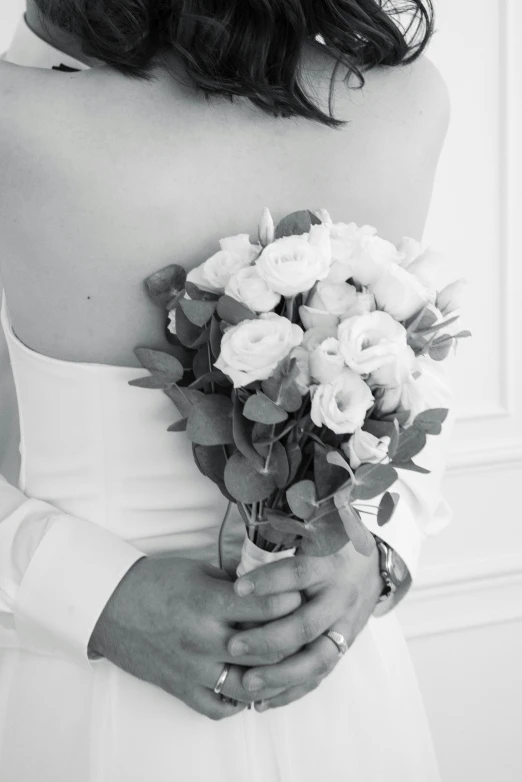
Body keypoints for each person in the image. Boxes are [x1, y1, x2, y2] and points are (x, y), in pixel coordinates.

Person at [0, 2, 453, 780]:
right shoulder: (405, 101)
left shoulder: (19, 121)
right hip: (340, 701)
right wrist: (374, 554)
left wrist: (89, 593)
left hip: (87, 708)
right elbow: (407, 397)